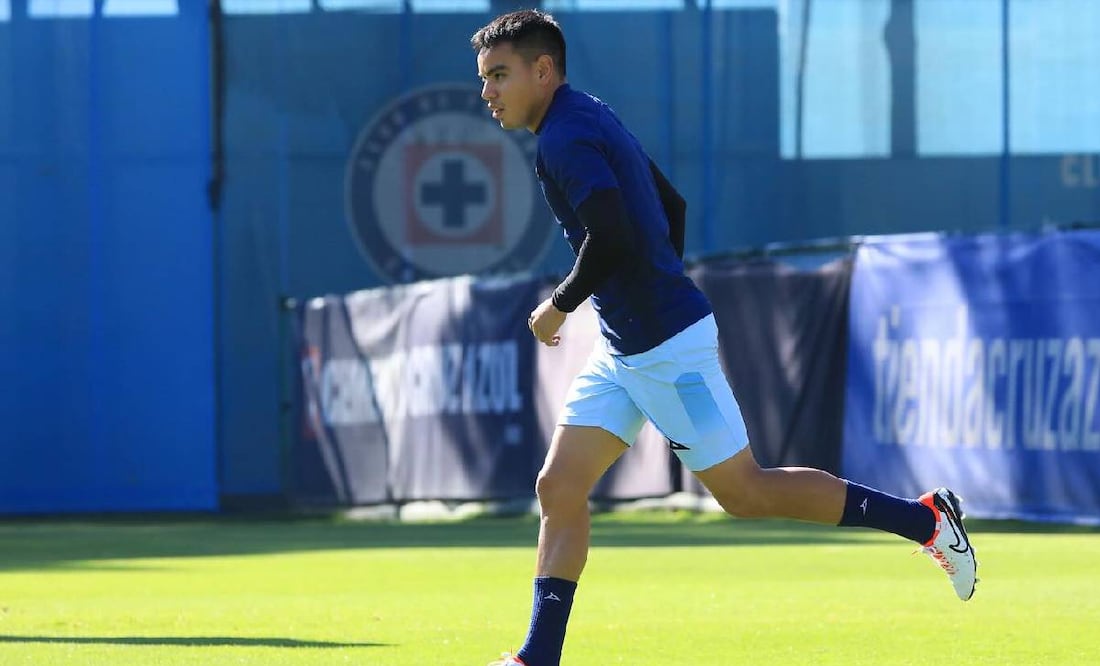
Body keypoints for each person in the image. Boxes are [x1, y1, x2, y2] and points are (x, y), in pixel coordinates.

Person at [471, 10, 978, 666]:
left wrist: (560, 305)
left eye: (500, 75)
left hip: (665, 352)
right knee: (559, 486)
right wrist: (654, 290)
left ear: (543, 71)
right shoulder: (587, 115)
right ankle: (537, 657)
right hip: (626, 349)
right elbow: (671, 205)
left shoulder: (565, 137)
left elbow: (613, 237)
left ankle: (927, 520)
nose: (488, 91)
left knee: (746, 491)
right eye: (485, 78)